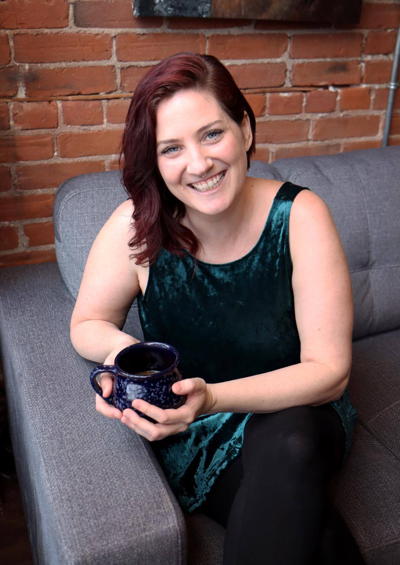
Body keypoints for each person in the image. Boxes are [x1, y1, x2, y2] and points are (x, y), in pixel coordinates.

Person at [70, 52, 364, 564]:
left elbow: (330, 372)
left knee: (291, 437)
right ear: (155, 161)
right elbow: (88, 323)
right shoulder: (133, 227)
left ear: (245, 129)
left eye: (211, 134)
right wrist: (127, 356)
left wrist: (212, 397)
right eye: (171, 149)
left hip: (298, 412)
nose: (199, 164)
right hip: (194, 431)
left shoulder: (300, 215)